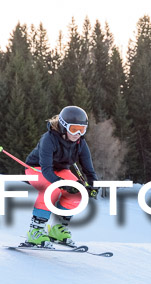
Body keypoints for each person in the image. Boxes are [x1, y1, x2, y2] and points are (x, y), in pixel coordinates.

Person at [24, 106, 99, 247]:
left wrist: (93, 185)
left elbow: (89, 171)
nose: (78, 133)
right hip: (37, 169)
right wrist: (61, 183)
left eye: (82, 130)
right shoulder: (49, 139)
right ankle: (35, 231)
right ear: (64, 127)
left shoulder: (80, 143)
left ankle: (58, 229)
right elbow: (46, 170)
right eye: (74, 129)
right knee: (51, 189)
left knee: (78, 192)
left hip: (60, 170)